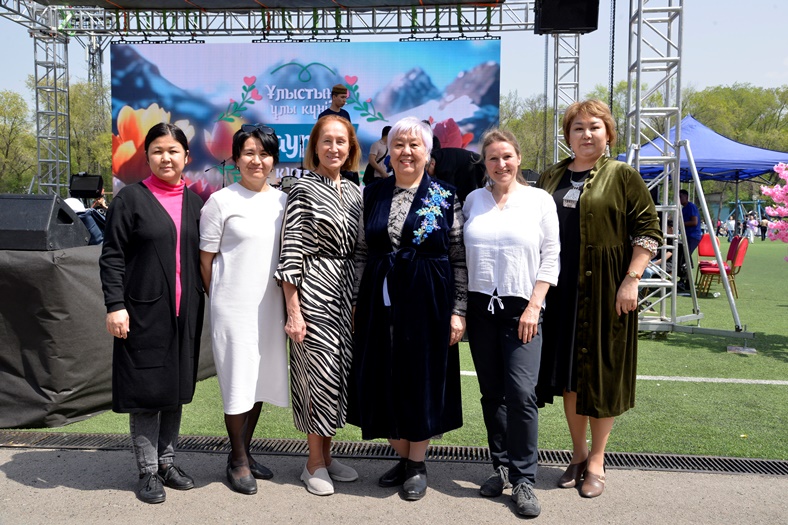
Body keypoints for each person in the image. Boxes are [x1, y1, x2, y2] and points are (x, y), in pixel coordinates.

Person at [535, 100, 661, 499]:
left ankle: (597, 461)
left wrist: (631, 280)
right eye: (578, 128)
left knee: (601, 377)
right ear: (568, 135)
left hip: (607, 291)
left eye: (594, 127)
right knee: (571, 377)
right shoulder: (551, 176)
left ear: (608, 133)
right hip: (560, 292)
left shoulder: (623, 176)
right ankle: (577, 453)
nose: (586, 134)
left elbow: (648, 232)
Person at [349, 116, 467, 502]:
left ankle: (416, 464)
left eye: (415, 145)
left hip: (429, 298)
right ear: (389, 150)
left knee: (422, 377)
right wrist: (357, 301)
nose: (406, 151)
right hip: (379, 298)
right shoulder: (373, 193)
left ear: (427, 152)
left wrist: (458, 310)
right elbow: (362, 253)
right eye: (399, 144)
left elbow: (458, 256)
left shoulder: (445, 195)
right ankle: (401, 455)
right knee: (382, 374)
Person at [99, 123, 205, 504]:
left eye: (173, 151)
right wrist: (115, 305)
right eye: (158, 150)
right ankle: (147, 471)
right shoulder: (130, 200)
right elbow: (112, 257)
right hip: (142, 313)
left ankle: (167, 462)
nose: (166, 157)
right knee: (146, 392)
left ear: (186, 157)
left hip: (184, 313)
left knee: (174, 389)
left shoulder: (197, 204)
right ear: (147, 157)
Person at [462, 130, 560, 517]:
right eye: (493, 158)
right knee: (492, 394)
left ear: (518, 158)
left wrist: (535, 306)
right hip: (481, 308)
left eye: (506, 156)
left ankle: (524, 479)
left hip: (524, 309)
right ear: (484, 163)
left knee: (521, 393)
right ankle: (500, 467)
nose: (500, 164)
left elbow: (551, 255)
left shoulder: (539, 200)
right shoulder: (473, 200)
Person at [275, 114, 363, 496]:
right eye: (326, 141)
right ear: (314, 147)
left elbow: (361, 250)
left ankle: (327, 455)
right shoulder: (303, 189)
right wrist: (294, 311)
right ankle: (312, 463)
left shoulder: (356, 192)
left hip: (346, 294)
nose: (334, 148)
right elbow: (290, 252)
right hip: (313, 292)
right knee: (318, 376)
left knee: (338, 375)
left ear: (351, 148)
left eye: (341, 141)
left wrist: (357, 301)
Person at [199, 124, 289, 495]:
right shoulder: (221, 202)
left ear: (274, 160)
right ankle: (236, 460)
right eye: (249, 153)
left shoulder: (283, 202)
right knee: (238, 381)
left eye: (264, 153)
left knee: (258, 380)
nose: (257, 160)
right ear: (236, 159)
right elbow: (206, 261)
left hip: (271, 307)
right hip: (233, 308)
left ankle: (245, 453)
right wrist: (222, 298)